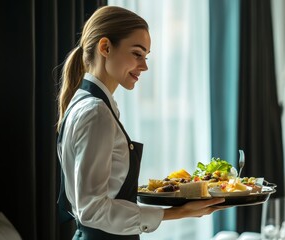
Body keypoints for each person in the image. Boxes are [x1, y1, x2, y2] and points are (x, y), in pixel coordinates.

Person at [56, 5, 226, 240]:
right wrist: (177, 213)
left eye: (145, 56)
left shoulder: (87, 103)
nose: (144, 66)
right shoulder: (96, 112)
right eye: (137, 53)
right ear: (105, 47)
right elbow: (92, 210)